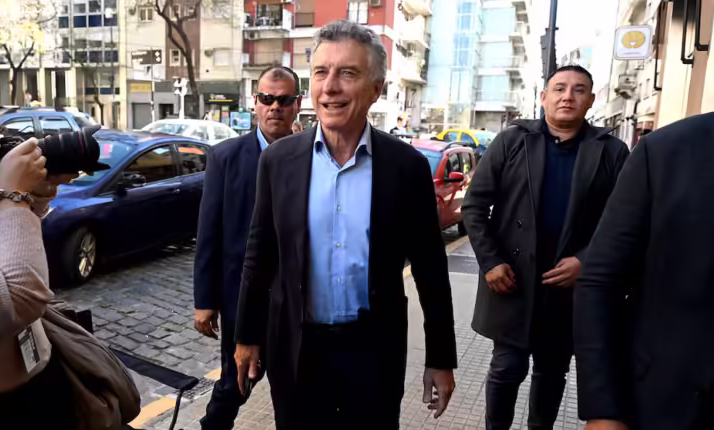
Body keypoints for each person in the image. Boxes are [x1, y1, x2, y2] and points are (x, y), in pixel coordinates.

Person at [234, 20, 457, 429]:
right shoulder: (278, 161)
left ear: (376, 88)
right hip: (297, 350)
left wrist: (441, 358)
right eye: (321, 72)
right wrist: (246, 337)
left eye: (348, 73)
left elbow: (430, 269)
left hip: (373, 354)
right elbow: (258, 255)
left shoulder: (406, 167)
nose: (330, 87)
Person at [462, 65, 629, 430]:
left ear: (591, 100)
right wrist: (490, 261)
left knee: (552, 371)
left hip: (568, 287)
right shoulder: (512, 141)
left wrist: (586, 261)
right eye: (559, 88)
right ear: (543, 97)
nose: (568, 96)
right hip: (512, 278)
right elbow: (474, 206)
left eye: (578, 90)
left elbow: (625, 221)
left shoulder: (612, 152)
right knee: (506, 368)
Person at [574, 112, 714, 430]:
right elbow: (600, 280)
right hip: (669, 401)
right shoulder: (666, 150)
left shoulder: (613, 150)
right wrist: (603, 409)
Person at [193, 65, 301, 430]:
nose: (275, 107)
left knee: (294, 388)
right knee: (236, 383)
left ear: (297, 104)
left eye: (283, 100)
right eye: (267, 98)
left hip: (295, 301)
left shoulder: (312, 158)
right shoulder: (224, 157)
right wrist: (205, 300)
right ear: (254, 102)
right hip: (242, 298)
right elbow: (209, 231)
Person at [0, 101, 76, 428]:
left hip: (29, 390)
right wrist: (11, 194)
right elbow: (15, 298)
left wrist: (33, 195)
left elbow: (9, 250)